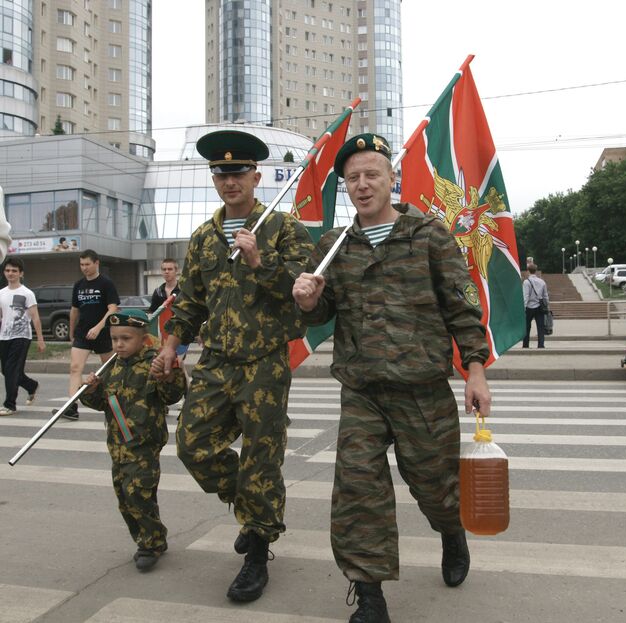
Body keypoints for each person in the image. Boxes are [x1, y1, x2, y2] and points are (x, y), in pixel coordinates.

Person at [292, 133, 492, 623]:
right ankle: (370, 597)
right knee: (359, 490)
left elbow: (461, 305)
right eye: (353, 178)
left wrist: (476, 369)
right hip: (362, 389)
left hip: (422, 389)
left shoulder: (428, 234)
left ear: (390, 177)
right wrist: (308, 301)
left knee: (435, 488)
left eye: (371, 175)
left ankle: (450, 531)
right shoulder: (334, 244)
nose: (362, 185)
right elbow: (323, 315)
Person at [151, 129, 314, 602]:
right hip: (217, 361)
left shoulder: (283, 228)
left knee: (263, 457)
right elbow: (189, 303)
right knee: (192, 445)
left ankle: (257, 551)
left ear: (256, 176)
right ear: (214, 179)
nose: (230, 181)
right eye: (221, 174)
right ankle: (249, 506)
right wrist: (170, 345)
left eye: (239, 172)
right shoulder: (203, 237)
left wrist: (261, 261)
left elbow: (303, 290)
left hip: (264, 363)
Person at [80, 309, 186, 571]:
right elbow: (103, 403)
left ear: (143, 338)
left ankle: (152, 543)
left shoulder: (153, 363)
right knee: (124, 498)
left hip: (144, 444)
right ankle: (144, 539)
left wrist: (171, 374)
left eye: (126, 338)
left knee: (139, 493)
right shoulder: (113, 367)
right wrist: (91, 390)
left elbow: (171, 395)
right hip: (118, 446)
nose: (119, 344)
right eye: (115, 339)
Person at [59, 249, 120, 420]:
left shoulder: (106, 283)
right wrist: (71, 332)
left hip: (103, 334)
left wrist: (99, 327)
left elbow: (113, 308)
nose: (84, 268)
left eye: (87, 264)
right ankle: (71, 407)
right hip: (82, 334)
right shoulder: (78, 285)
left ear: (96, 263)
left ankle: (115, 403)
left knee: (109, 371)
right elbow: (74, 310)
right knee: (74, 368)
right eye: (81, 265)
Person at [0, 257, 45, 416]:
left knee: (11, 370)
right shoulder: (1, 293)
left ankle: (10, 404)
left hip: (21, 337)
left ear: (21, 273)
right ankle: (31, 386)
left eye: (14, 271)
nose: (10, 273)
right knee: (7, 371)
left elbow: (35, 318)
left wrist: (40, 340)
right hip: (4, 337)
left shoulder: (27, 293)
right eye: (7, 270)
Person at [522, 263, 549, 349]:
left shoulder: (526, 282)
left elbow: (525, 296)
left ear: (528, 271)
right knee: (540, 327)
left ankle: (526, 345)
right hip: (539, 307)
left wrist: (523, 308)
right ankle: (541, 345)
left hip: (529, 307)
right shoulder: (542, 281)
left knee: (526, 327)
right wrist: (546, 305)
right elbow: (545, 296)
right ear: (536, 271)